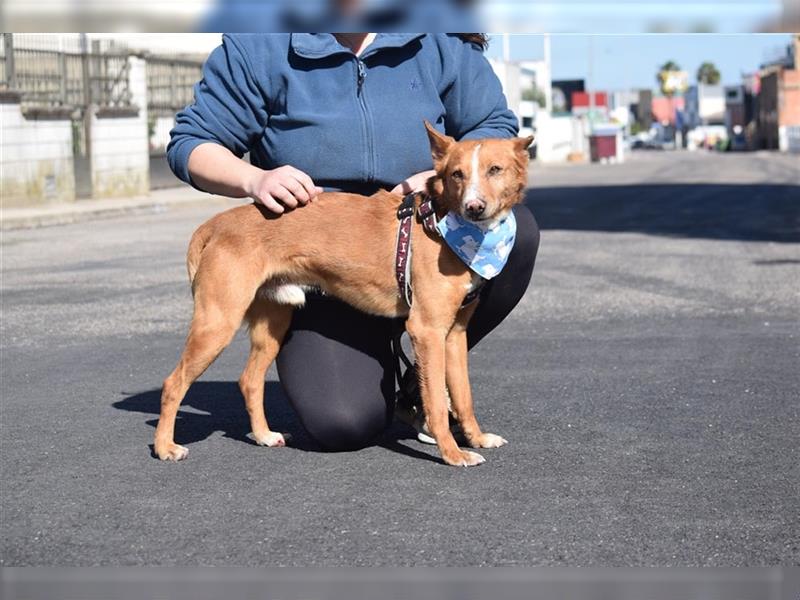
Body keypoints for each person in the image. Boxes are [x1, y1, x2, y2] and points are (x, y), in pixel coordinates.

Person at [167, 33, 540, 451]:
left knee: (516, 233)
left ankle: (421, 386)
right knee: (343, 422)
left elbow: (494, 128)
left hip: (422, 230)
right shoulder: (260, 44)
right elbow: (190, 143)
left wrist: (441, 174)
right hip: (324, 258)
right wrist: (254, 178)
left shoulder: (439, 39)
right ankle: (385, 357)